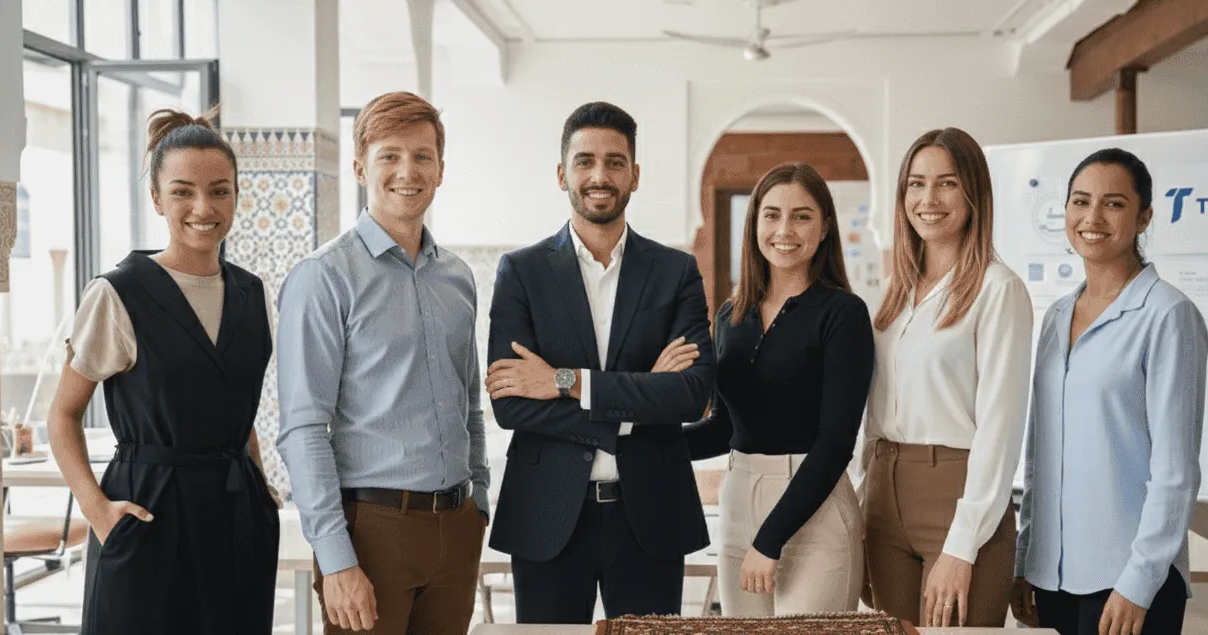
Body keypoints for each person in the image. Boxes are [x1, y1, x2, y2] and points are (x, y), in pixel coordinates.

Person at [48, 107, 280, 634]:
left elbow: (234, 410)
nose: (204, 207)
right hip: (147, 517)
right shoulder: (118, 294)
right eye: (183, 192)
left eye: (220, 190)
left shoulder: (253, 294)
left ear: (238, 195)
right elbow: (62, 416)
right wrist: (98, 513)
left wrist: (261, 487)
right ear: (157, 198)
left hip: (236, 516)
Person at [484, 101, 715, 624]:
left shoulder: (675, 272)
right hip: (546, 513)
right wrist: (640, 398)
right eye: (585, 161)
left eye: (615, 162)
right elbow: (512, 404)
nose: (599, 175)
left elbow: (692, 395)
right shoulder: (521, 272)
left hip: (650, 516)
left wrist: (563, 381)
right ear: (562, 173)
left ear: (635, 175)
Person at [276, 91, 489, 635]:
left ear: (441, 168)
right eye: (389, 155)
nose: (407, 171)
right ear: (359, 166)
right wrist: (337, 558)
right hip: (371, 532)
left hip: (455, 529)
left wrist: (479, 501)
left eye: (422, 156)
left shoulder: (457, 278)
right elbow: (303, 429)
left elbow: (469, 400)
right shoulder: (323, 277)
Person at [1010, 148, 1208, 635]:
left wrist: (1138, 582)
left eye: (1113, 204)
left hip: (1127, 579)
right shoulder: (1057, 315)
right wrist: (1026, 558)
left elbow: (1176, 471)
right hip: (1054, 574)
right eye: (1080, 202)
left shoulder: (1168, 315)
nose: (1092, 217)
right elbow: (1041, 454)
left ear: (1144, 217)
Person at [860, 127, 1033, 628]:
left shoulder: (999, 291)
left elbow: (1000, 428)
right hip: (883, 495)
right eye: (915, 184)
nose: (928, 199)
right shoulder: (894, 293)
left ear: (973, 193)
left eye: (947, 184)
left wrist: (962, 546)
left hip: (958, 499)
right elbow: (872, 412)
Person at [683, 163, 874, 616]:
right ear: (754, 225)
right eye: (771, 215)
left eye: (802, 216)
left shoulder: (843, 314)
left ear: (825, 226)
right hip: (739, 503)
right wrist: (640, 440)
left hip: (816, 512)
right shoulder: (731, 315)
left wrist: (769, 541)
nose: (784, 230)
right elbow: (724, 428)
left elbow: (835, 444)